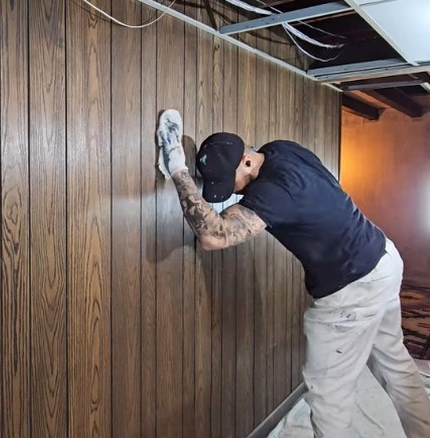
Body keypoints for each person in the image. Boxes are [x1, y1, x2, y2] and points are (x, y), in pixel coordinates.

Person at [155, 109, 430, 437]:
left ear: (246, 161)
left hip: (352, 287)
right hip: (382, 258)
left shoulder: (276, 192)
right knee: (396, 366)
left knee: (329, 395)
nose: (237, 192)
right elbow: (244, 212)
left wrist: (177, 168)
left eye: (233, 184)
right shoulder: (280, 150)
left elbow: (213, 236)